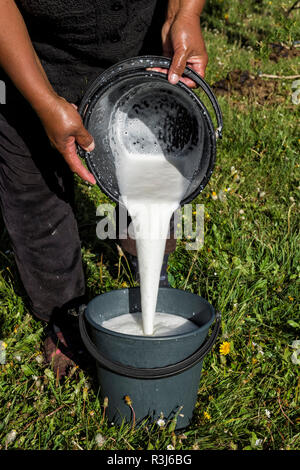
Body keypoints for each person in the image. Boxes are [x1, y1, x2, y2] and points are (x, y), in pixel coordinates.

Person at [0, 0, 208, 378]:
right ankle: (65, 310)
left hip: (137, 39)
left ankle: (153, 279)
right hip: (29, 53)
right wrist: (44, 102)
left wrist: (185, 13)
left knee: (160, 157)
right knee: (35, 191)